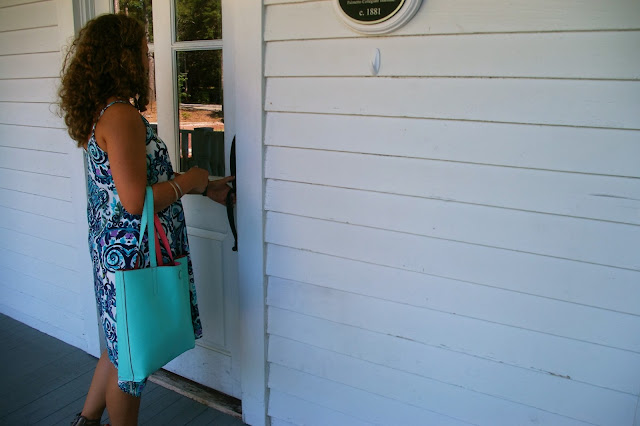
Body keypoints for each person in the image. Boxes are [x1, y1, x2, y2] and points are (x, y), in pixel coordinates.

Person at [58, 13, 234, 426]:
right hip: (132, 255)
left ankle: (85, 421)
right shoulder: (119, 116)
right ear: (122, 57)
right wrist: (189, 179)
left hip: (117, 251)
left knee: (121, 344)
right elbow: (136, 201)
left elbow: (137, 180)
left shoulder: (106, 112)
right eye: (141, 50)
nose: (147, 57)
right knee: (130, 365)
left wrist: (203, 184)